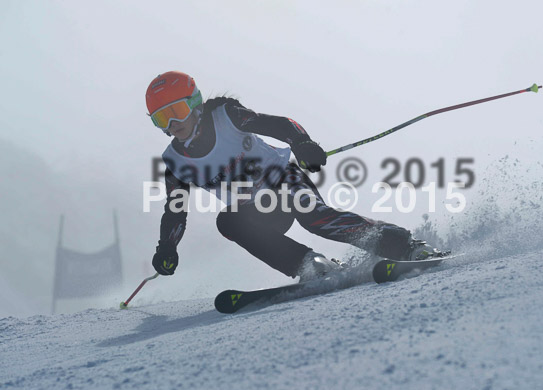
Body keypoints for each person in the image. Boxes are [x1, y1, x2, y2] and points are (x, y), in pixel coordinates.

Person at [146, 71, 441, 281]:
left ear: (194, 103)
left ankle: (406, 245)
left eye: (178, 110)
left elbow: (281, 125)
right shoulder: (176, 162)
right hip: (259, 211)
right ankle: (310, 265)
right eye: (162, 118)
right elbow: (175, 209)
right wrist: (167, 247)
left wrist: (301, 143)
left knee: (314, 217)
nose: (173, 123)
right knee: (227, 221)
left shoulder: (227, 115)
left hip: (283, 179)